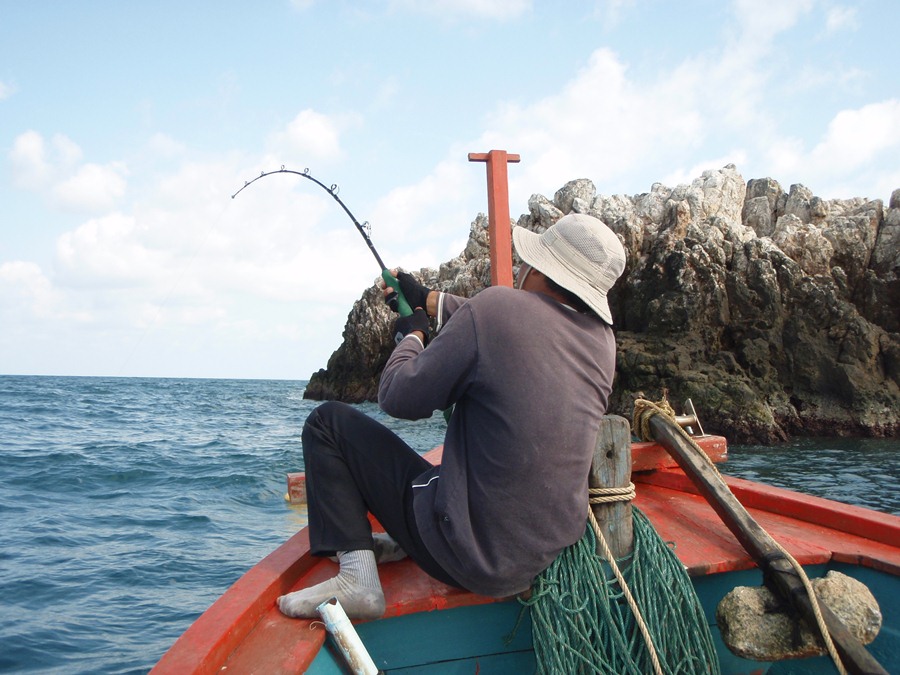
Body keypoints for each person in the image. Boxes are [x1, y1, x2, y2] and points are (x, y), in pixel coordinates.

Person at [277, 213, 627, 620]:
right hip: (535, 557)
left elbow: (397, 397)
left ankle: (357, 580)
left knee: (327, 423)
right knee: (439, 474)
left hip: (465, 557)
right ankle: (404, 542)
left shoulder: (496, 310)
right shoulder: (602, 344)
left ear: (540, 267)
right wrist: (426, 298)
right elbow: (502, 324)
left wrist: (412, 334)